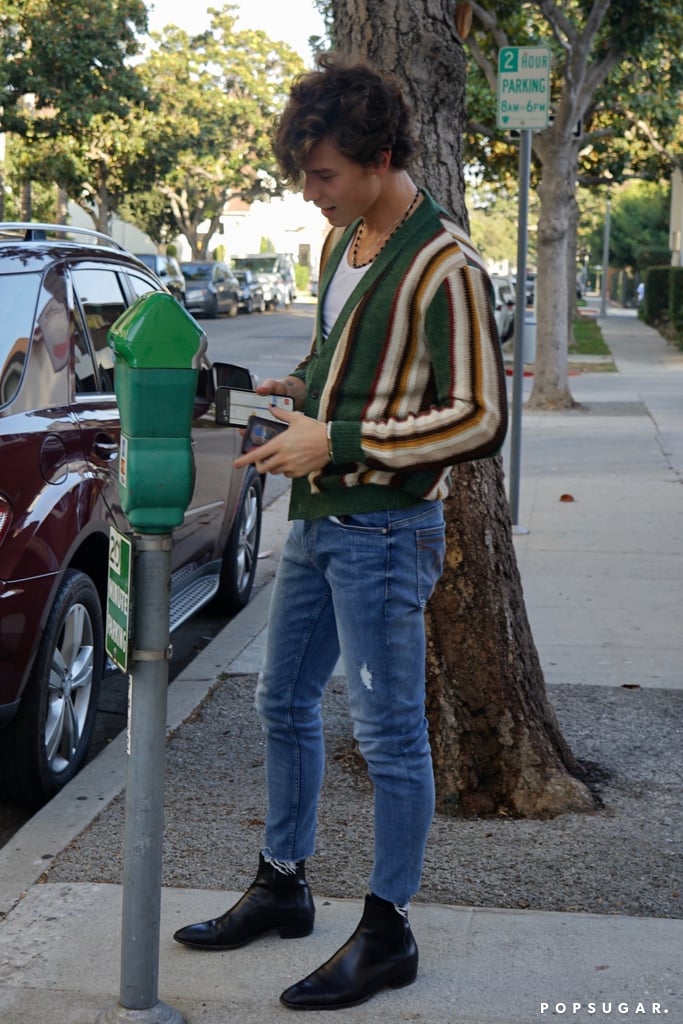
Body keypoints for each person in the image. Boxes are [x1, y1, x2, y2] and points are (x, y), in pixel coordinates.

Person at [173, 52, 508, 1011]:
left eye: (323, 174)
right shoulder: (343, 242)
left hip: (385, 529)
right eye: (304, 175)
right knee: (281, 704)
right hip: (322, 519)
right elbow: (339, 349)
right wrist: (300, 390)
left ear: (381, 156)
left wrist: (343, 437)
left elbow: (479, 418)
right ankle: (284, 884)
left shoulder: (446, 263)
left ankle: (388, 930)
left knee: (391, 732)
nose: (309, 193)